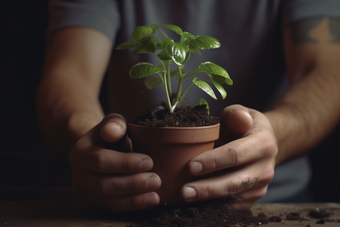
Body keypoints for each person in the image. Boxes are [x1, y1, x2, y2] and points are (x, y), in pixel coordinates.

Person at [36, 0, 340, 212]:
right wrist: (94, 141)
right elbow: (68, 73)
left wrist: (272, 136)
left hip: (277, 199)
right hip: (129, 199)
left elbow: (327, 72)